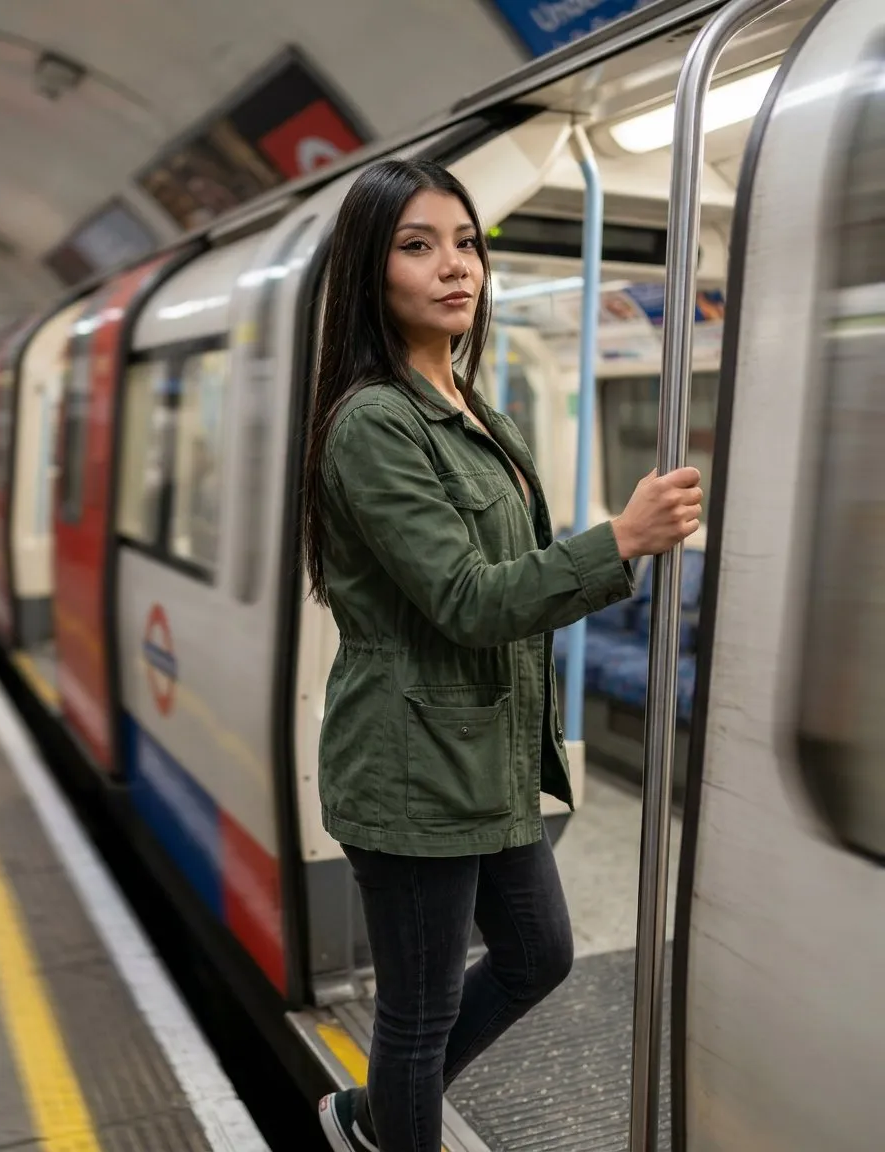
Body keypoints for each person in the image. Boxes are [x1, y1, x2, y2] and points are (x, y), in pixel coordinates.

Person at [301, 159, 701, 1152]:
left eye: (466, 243)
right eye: (418, 245)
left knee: (536, 954)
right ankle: (389, 1128)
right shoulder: (374, 423)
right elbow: (468, 601)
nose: (455, 267)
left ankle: (367, 1117)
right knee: (418, 1011)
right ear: (370, 271)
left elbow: (512, 577)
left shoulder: (475, 407)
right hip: (410, 769)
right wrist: (620, 540)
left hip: (483, 755)